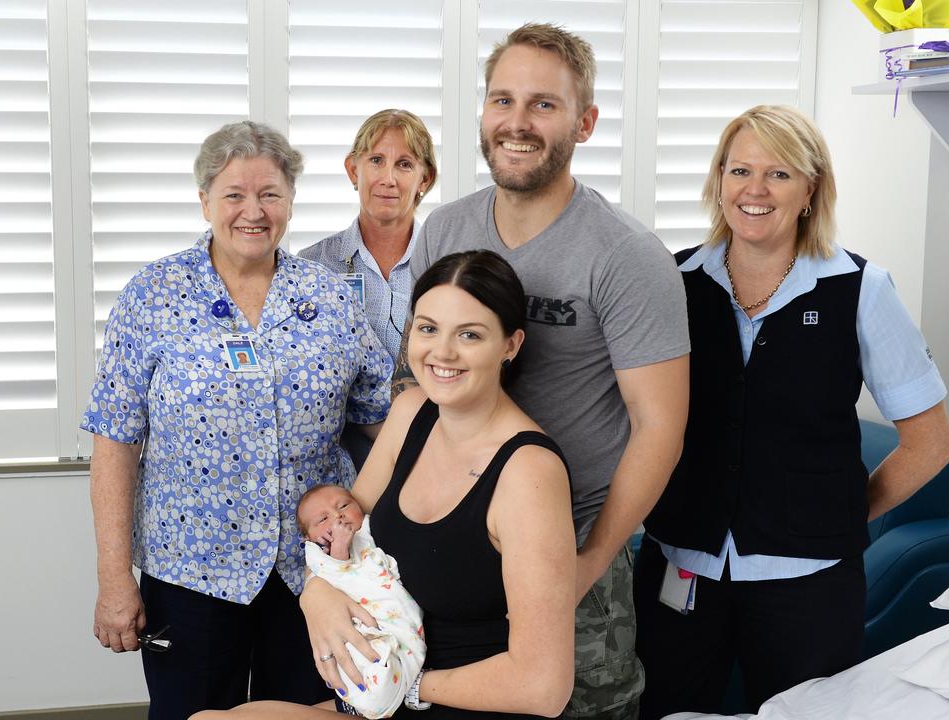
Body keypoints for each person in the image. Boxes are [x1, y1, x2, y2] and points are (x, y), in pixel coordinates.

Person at [403, 23, 691, 719]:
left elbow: (660, 429)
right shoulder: (443, 231)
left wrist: (590, 560)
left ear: (585, 122)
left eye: (543, 104)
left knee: (578, 706)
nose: (517, 123)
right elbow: (415, 385)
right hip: (455, 543)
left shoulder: (625, 256)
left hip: (573, 539)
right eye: (502, 100)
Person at [634, 105, 949, 719]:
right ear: (718, 182)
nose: (754, 190)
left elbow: (931, 442)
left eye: (779, 174)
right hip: (680, 570)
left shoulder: (862, 289)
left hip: (810, 585)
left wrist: (840, 514)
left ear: (811, 189)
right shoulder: (669, 281)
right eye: (739, 171)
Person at [82, 120, 393, 720]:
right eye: (234, 195)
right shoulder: (154, 296)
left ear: (291, 203)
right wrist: (114, 578)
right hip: (190, 572)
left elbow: (387, 418)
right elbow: (115, 442)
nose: (253, 211)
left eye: (270, 194)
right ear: (205, 202)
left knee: (312, 716)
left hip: (314, 571)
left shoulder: (330, 300)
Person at [197, 250, 578, 719]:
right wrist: (316, 591)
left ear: (510, 345)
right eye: (428, 328)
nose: (442, 352)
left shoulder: (529, 473)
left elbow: (543, 686)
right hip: (386, 690)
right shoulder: (411, 412)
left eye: (470, 335)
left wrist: (408, 684)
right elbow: (343, 520)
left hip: (460, 699)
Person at [300, 109, 439, 468]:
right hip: (337, 458)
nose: (388, 178)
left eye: (405, 164)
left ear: (426, 178)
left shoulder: (447, 263)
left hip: (432, 448)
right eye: (376, 160)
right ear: (353, 170)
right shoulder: (313, 266)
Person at [296, 484, 426, 718]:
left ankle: (405, 683)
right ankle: (379, 691)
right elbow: (335, 575)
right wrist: (339, 550)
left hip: (394, 615)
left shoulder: (371, 529)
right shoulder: (320, 554)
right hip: (360, 621)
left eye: (344, 505)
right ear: (308, 537)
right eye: (323, 519)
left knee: (406, 650)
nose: (337, 516)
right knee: (365, 661)